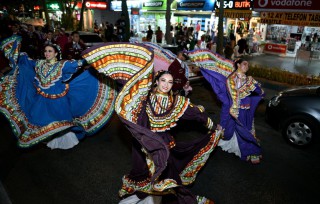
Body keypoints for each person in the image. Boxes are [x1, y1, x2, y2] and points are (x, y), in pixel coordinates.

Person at [118, 71, 220, 203]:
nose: (166, 85)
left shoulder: (176, 102)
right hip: (145, 145)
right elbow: (130, 102)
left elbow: (196, 114)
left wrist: (212, 126)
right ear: (156, 81)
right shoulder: (146, 99)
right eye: (163, 80)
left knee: (166, 178)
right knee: (143, 175)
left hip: (164, 147)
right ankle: (147, 197)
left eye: (170, 82)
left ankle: (181, 199)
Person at [0, 35, 116, 149]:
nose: (47, 53)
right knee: (39, 120)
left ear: (56, 53)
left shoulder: (63, 65)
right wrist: (15, 51)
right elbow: (25, 61)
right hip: (41, 99)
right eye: (45, 51)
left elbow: (79, 63)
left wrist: (97, 56)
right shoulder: (39, 63)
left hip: (58, 101)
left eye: (50, 51)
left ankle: (64, 140)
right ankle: (48, 137)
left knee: (61, 122)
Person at [189, 53, 264, 164]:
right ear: (238, 65)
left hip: (245, 108)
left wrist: (258, 89)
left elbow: (258, 91)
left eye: (248, 65)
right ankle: (250, 150)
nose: (247, 66)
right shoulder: (231, 79)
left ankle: (249, 150)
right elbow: (232, 94)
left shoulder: (249, 79)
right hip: (234, 109)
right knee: (237, 129)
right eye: (244, 64)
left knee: (246, 128)